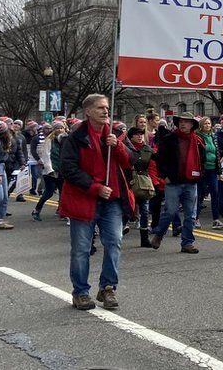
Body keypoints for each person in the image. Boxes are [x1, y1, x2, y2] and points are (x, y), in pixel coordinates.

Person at [60, 94, 135, 311]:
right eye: (101, 108)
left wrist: (118, 146)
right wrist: (95, 187)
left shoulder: (115, 135)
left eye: (107, 108)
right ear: (88, 112)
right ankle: (81, 292)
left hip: (112, 200)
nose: (105, 111)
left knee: (114, 243)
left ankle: (108, 287)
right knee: (82, 249)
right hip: (84, 199)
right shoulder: (75, 138)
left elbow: (131, 161)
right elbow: (68, 169)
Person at [151, 112, 205, 253]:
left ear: (192, 124)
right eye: (181, 121)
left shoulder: (198, 141)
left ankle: (187, 243)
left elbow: (203, 160)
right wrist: (164, 176)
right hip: (173, 182)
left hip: (191, 182)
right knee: (170, 211)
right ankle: (159, 234)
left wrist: (200, 176)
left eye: (186, 121)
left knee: (190, 215)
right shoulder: (169, 138)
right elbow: (159, 159)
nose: (183, 124)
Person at [127, 126, 162, 247]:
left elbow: (159, 158)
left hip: (143, 182)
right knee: (127, 208)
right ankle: (119, 230)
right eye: (137, 134)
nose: (140, 136)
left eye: (141, 134)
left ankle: (144, 238)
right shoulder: (127, 147)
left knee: (145, 210)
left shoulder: (147, 149)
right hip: (129, 181)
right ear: (131, 136)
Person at [33, 121, 66, 221]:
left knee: (63, 192)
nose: (59, 130)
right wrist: (49, 169)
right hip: (51, 170)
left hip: (62, 170)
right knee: (49, 192)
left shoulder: (66, 139)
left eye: (61, 128)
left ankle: (62, 211)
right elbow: (46, 156)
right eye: (57, 128)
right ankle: (36, 210)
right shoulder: (49, 140)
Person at [197, 117, 223, 230]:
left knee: (215, 194)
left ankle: (216, 219)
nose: (208, 125)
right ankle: (196, 219)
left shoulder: (213, 137)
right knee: (200, 195)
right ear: (201, 125)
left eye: (209, 123)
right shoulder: (198, 137)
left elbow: (217, 154)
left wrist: (219, 171)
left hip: (213, 169)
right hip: (202, 170)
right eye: (205, 124)